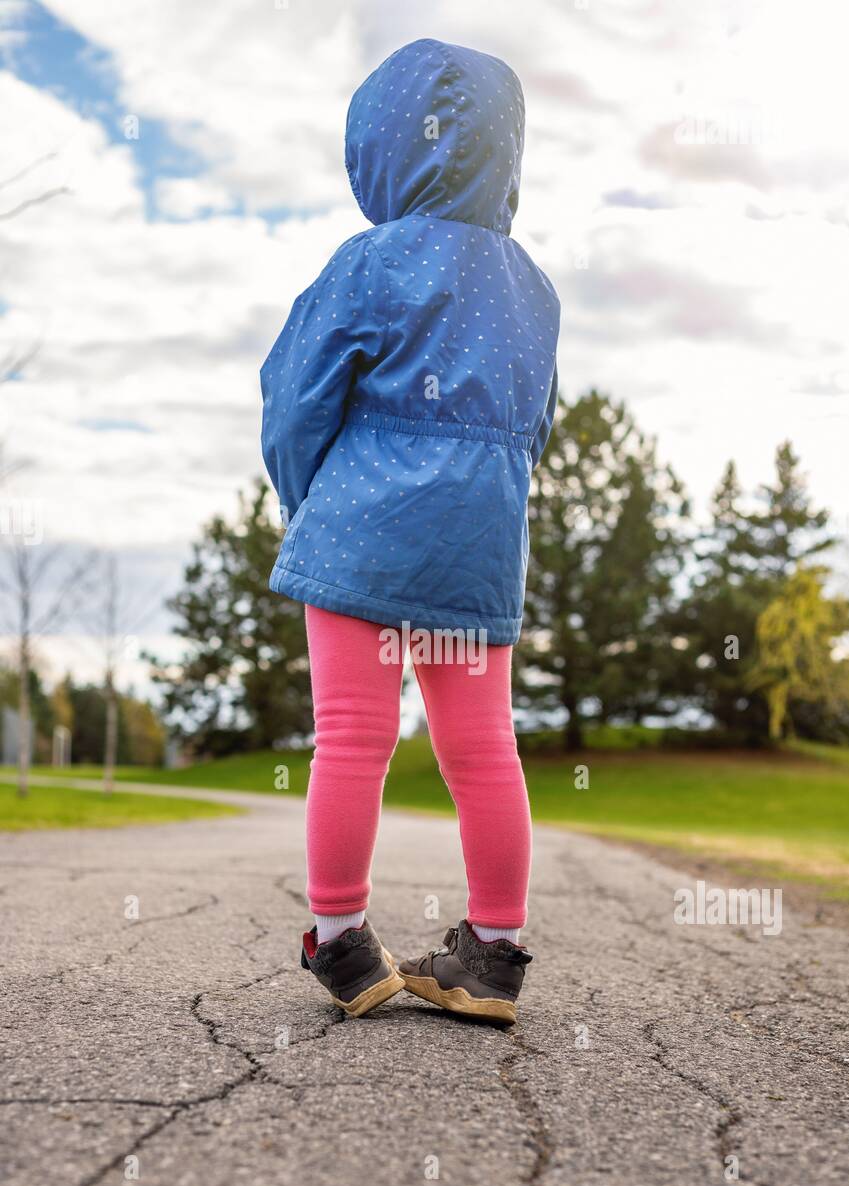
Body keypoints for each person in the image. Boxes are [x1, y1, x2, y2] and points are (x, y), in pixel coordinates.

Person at [261, 37, 560, 1022]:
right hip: (473, 546)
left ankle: (344, 944)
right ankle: (494, 953)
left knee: (351, 739)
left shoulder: (369, 261)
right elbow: (534, 428)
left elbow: (297, 399)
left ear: (383, 148)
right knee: (483, 752)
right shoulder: (531, 288)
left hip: (359, 532)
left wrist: (312, 508)